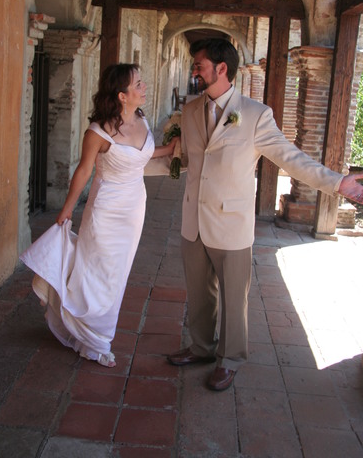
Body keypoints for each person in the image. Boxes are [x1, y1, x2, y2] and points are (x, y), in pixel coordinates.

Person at [167, 37, 363, 391]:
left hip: (232, 224)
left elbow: (291, 158)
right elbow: (181, 158)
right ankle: (201, 347)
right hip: (193, 220)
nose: (194, 71)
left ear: (221, 68)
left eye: (199, 65)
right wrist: (122, 161)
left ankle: (230, 359)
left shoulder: (256, 115)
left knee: (233, 298)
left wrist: (336, 183)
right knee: (198, 292)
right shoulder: (191, 111)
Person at [20, 63, 178, 368]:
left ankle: (97, 329)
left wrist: (168, 149)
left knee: (117, 274)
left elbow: (142, 156)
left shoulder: (142, 120)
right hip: (105, 211)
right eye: (138, 84)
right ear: (122, 95)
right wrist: (66, 210)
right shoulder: (98, 132)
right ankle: (94, 338)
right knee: (97, 270)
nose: (144, 87)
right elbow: (83, 171)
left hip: (134, 209)